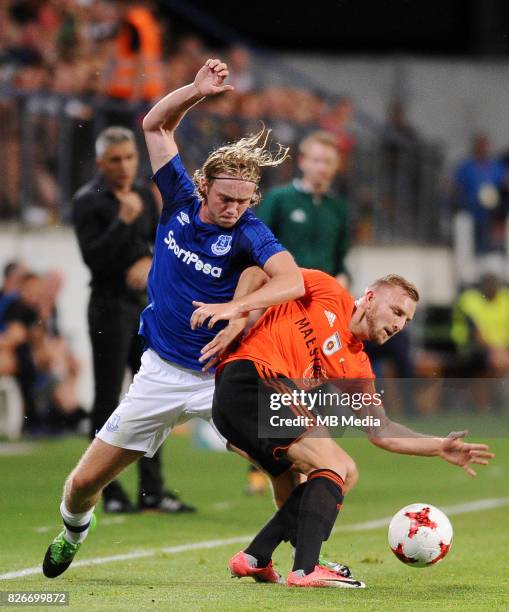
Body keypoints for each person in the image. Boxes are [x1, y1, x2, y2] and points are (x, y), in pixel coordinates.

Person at [42, 57, 304, 578]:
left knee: (290, 462)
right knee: (80, 486)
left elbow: (291, 280)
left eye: (244, 200)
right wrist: (196, 91)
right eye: (225, 198)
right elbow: (154, 125)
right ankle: (74, 532)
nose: (233, 208)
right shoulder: (178, 199)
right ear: (204, 187)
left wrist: (235, 309)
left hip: (219, 375)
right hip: (160, 372)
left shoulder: (250, 231)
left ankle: (297, 557)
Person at [212, 269, 494, 588]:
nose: (399, 324)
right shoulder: (327, 290)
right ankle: (305, 570)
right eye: (397, 312)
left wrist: (438, 445)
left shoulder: (357, 366)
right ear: (371, 299)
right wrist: (238, 315)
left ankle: (256, 558)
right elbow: (256, 271)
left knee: (296, 481)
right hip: (251, 379)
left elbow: (381, 429)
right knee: (338, 466)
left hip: (241, 405)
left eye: (407, 320)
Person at [73, 125, 193, 514]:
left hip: (144, 306)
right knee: (108, 395)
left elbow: (161, 245)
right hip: (108, 305)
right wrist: (121, 222)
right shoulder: (87, 201)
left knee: (152, 395)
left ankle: (151, 491)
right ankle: (106, 492)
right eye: (115, 160)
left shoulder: (144, 194)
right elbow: (92, 258)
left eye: (129, 158)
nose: (124, 166)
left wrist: (151, 262)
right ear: (100, 163)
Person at [258, 131, 350, 287]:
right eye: (316, 161)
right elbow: (259, 246)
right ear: (302, 161)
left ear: (337, 165)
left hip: (322, 291)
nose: (322, 168)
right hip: (282, 288)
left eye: (328, 162)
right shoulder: (278, 199)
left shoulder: (339, 208)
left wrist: (343, 278)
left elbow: (339, 258)